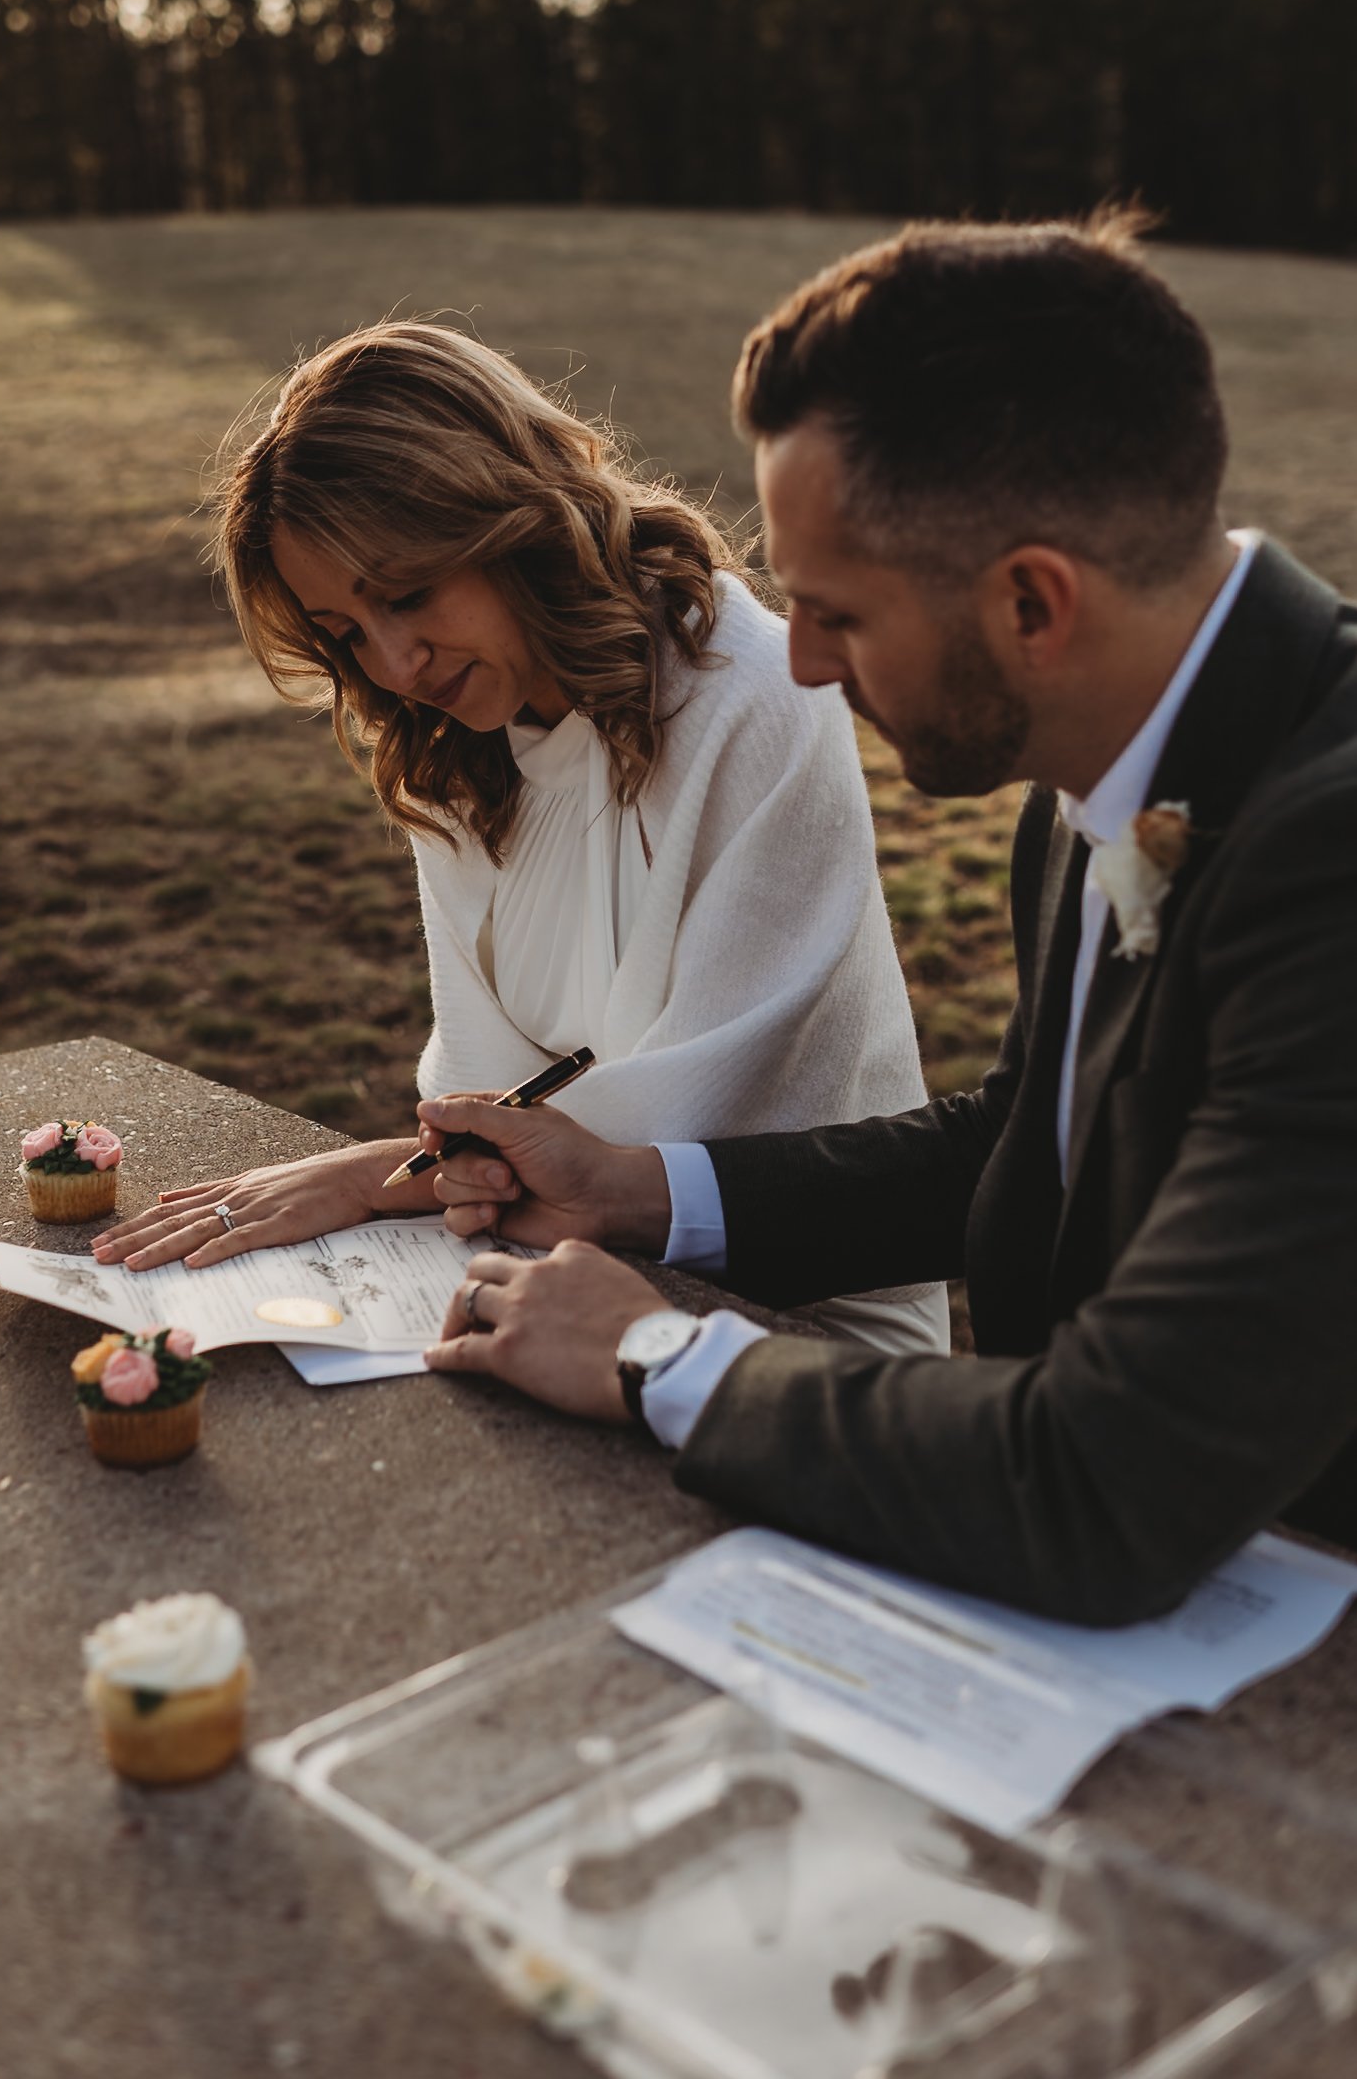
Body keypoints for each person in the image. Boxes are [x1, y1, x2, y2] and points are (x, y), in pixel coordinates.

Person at [418, 215, 1357, 1624]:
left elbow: (1103, 1480)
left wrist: (662, 1362)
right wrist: (639, 1191)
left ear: (1030, 602)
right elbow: (1038, 1131)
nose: (794, 663)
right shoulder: (1094, 788)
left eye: (832, 614)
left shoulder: (1332, 856)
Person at [94, 319, 947, 1356]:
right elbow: (486, 1112)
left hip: (798, 1316)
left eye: (408, 594)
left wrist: (367, 1176)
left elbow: (687, 1128)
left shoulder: (757, 695)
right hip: (544, 1261)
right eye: (346, 633)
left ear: (513, 519)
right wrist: (432, 1170)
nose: (396, 663)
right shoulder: (455, 747)